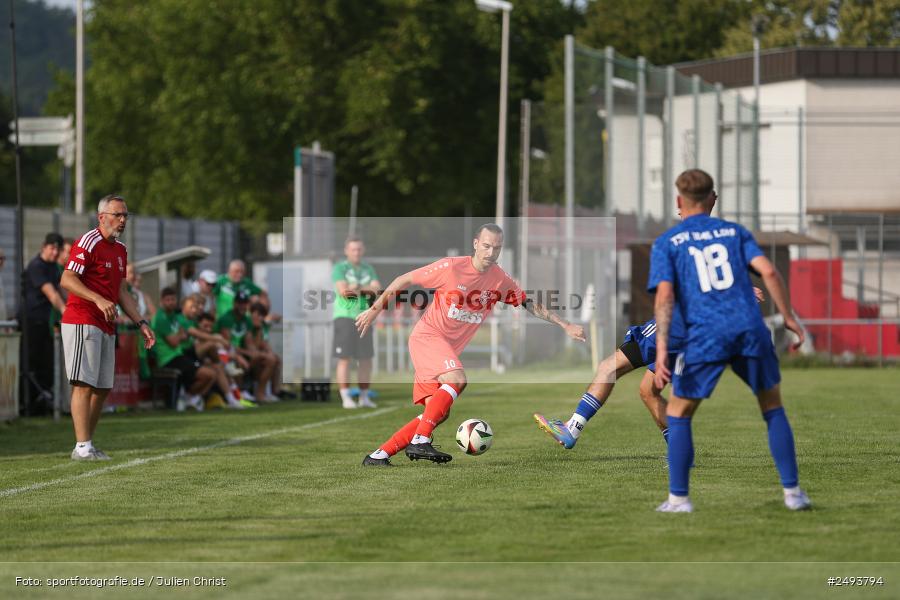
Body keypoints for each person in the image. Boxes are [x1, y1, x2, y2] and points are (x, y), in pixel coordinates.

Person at [356, 223, 585, 466]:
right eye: (486, 246)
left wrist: (564, 324)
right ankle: (420, 441)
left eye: (496, 248)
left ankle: (378, 455)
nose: (490, 252)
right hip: (427, 337)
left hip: (442, 348)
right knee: (457, 379)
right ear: (476, 244)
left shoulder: (499, 280)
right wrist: (374, 310)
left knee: (438, 414)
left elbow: (528, 303)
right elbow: (403, 280)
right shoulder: (451, 267)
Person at [649, 169, 810, 513]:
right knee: (772, 406)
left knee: (678, 412)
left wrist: (662, 348)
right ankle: (794, 494)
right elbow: (769, 271)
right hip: (749, 328)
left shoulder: (668, 242)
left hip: (704, 334)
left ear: (679, 201)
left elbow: (664, 296)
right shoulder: (735, 232)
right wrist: (789, 317)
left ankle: (679, 500)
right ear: (712, 198)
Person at [60, 195, 155, 460]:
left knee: (102, 388)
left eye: (125, 215)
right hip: (82, 319)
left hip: (106, 324)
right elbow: (67, 279)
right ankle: (82, 447)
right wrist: (98, 299)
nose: (122, 220)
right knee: (83, 384)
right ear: (101, 217)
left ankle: (87, 444)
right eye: (117, 215)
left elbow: (122, 292)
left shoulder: (121, 250)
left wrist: (141, 322)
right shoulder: (88, 241)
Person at [20, 233, 67, 415]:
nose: (55, 252)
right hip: (31, 322)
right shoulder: (36, 266)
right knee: (32, 364)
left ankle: (43, 403)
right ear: (44, 247)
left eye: (58, 249)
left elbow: (63, 290)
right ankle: (28, 405)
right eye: (52, 248)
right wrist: (66, 311)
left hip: (45, 322)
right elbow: (52, 294)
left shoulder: (54, 268)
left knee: (47, 366)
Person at [332, 236, 381, 409]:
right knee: (344, 358)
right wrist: (364, 289)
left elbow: (377, 289)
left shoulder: (368, 268)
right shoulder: (340, 268)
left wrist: (356, 288)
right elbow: (344, 292)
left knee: (366, 359)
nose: (356, 252)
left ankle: (364, 397)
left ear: (363, 250)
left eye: (359, 249)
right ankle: (346, 397)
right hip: (345, 317)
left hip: (365, 317)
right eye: (353, 249)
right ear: (346, 251)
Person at [151, 287, 218, 412]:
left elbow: (182, 336)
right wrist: (181, 336)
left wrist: (180, 336)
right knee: (209, 374)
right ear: (161, 301)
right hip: (168, 359)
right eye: (167, 300)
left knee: (213, 373)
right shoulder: (161, 318)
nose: (171, 302)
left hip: (179, 356)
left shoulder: (173, 316)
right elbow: (174, 342)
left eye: (173, 299)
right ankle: (188, 398)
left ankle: (189, 398)